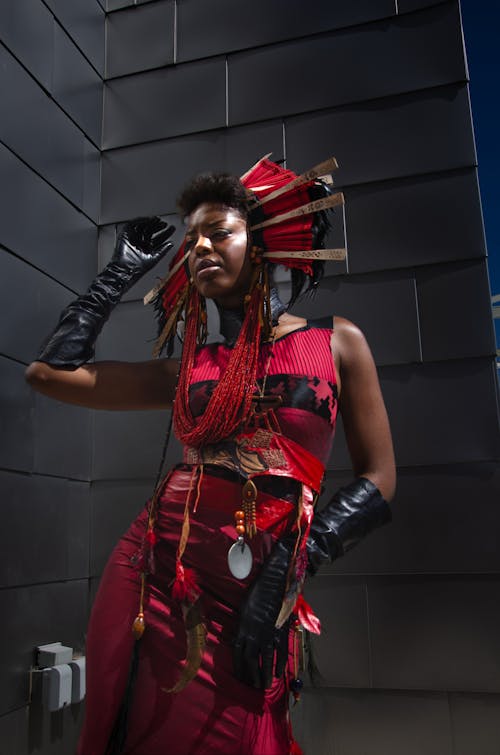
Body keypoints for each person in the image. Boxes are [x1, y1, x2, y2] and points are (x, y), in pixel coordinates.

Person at [26, 157, 395, 755]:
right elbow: (49, 374)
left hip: (265, 571)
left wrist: (288, 571)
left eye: (218, 232)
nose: (200, 246)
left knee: (243, 732)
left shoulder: (335, 341)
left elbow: (380, 483)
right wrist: (115, 275)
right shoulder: (189, 368)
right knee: (129, 723)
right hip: (156, 568)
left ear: (262, 242)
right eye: (192, 238)